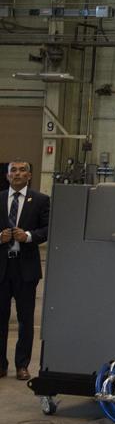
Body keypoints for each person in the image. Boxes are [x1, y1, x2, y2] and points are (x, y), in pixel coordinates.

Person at [0, 160, 50, 381]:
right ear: (7, 175)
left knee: (25, 319)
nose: (17, 173)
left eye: (22, 170)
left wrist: (28, 236)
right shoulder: (0, 198)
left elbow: (48, 228)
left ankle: (22, 365)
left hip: (26, 269)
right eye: (13, 170)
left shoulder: (40, 200)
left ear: (29, 175)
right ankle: (1, 365)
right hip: (2, 268)